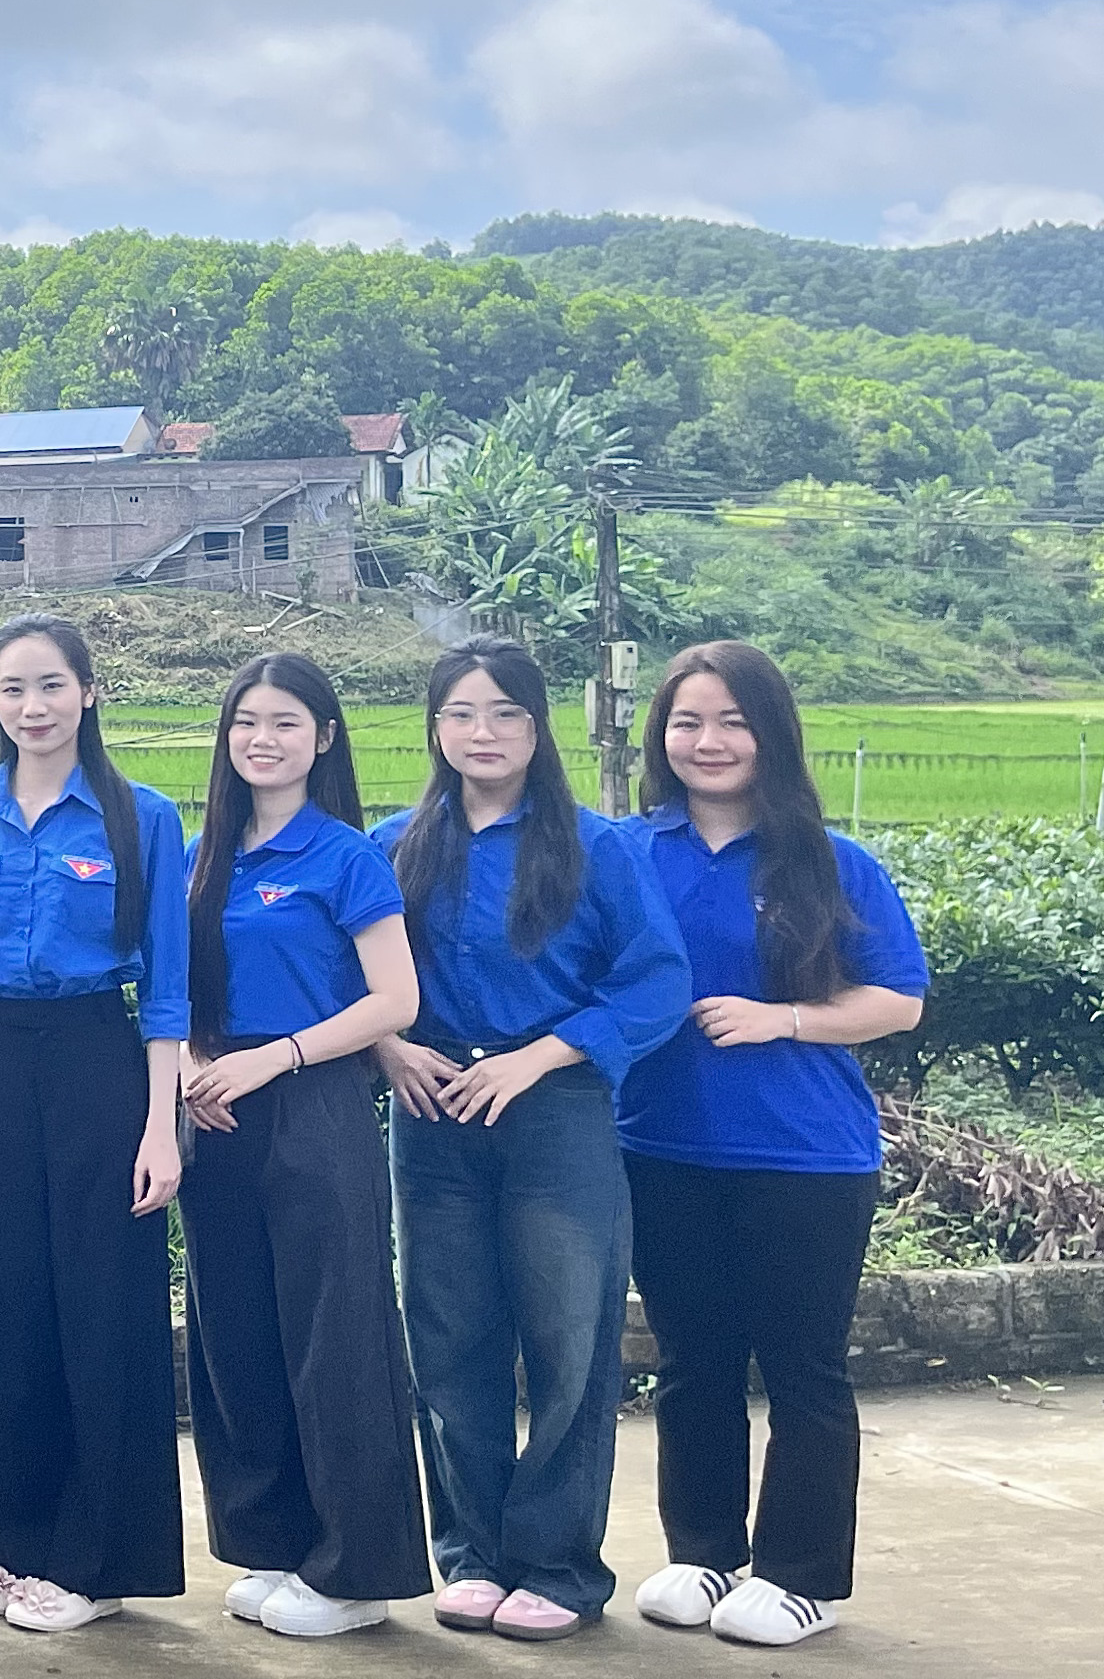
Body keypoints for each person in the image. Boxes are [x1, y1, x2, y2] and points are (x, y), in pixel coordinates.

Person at [371, 637, 689, 1642]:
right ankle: (471, 1554)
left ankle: (557, 1565)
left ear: (538, 726)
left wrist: (538, 1058)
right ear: (435, 728)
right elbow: (339, 974)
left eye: (505, 712)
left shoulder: (596, 847)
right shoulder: (395, 845)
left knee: (568, 1335)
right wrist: (387, 1047)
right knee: (446, 1334)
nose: (483, 732)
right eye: (461, 712)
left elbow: (656, 981)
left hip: (555, 1107)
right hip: (432, 1108)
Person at [619, 642, 927, 1650]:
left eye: (732, 721)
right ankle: (704, 1551)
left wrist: (781, 1019)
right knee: (691, 1361)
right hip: (659, 1147)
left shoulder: (830, 862)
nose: (707, 741)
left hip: (804, 1156)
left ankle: (802, 1576)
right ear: (660, 736)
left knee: (803, 1369)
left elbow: (898, 999)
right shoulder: (624, 852)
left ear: (771, 735)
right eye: (686, 721)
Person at [0, 611, 189, 1635]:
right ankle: (15, 1540)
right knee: (7, 1309)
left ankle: (97, 1561)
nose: (31, 706)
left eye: (50, 685)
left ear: (88, 692)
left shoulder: (140, 817)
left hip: (96, 1064)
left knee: (102, 1305)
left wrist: (160, 1127)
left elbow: (165, 988)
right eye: (12, 688)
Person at [175, 653, 429, 1639]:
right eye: (246, 721)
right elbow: (174, 987)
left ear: (323, 738)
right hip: (217, 1109)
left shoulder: (345, 856)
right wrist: (195, 1065)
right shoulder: (204, 855)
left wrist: (273, 1058)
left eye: (285, 722)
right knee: (237, 1334)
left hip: (312, 1101)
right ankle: (277, 1543)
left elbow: (393, 1000)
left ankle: (357, 1572)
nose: (262, 739)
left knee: (336, 1338)